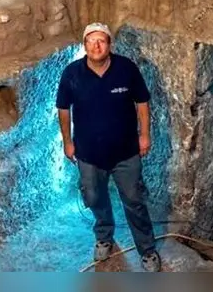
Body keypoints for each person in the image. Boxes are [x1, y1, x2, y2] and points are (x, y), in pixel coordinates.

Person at [56, 22, 162, 272]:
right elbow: (63, 109)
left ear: (109, 44)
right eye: (90, 41)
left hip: (126, 153)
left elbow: (143, 103)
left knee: (134, 201)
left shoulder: (126, 69)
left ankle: (147, 251)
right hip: (89, 154)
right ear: (84, 46)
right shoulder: (72, 74)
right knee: (93, 197)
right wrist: (68, 142)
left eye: (101, 40)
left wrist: (144, 135)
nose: (96, 45)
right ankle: (104, 235)